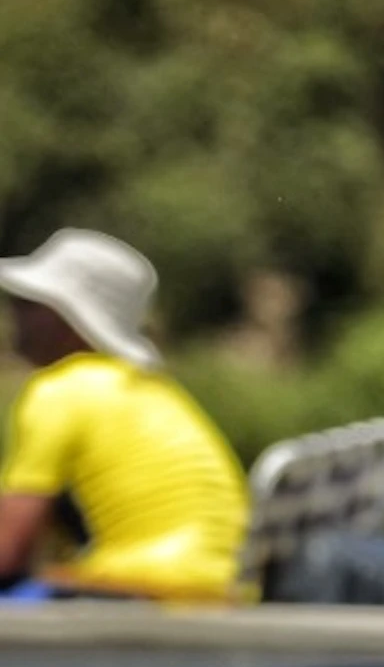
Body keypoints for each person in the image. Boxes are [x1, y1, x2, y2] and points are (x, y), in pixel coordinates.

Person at [0, 229, 249, 601]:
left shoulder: (59, 391)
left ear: (73, 320)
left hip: (145, 588)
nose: (14, 311)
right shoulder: (159, 392)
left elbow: (8, 551)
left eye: (32, 303)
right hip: (218, 589)